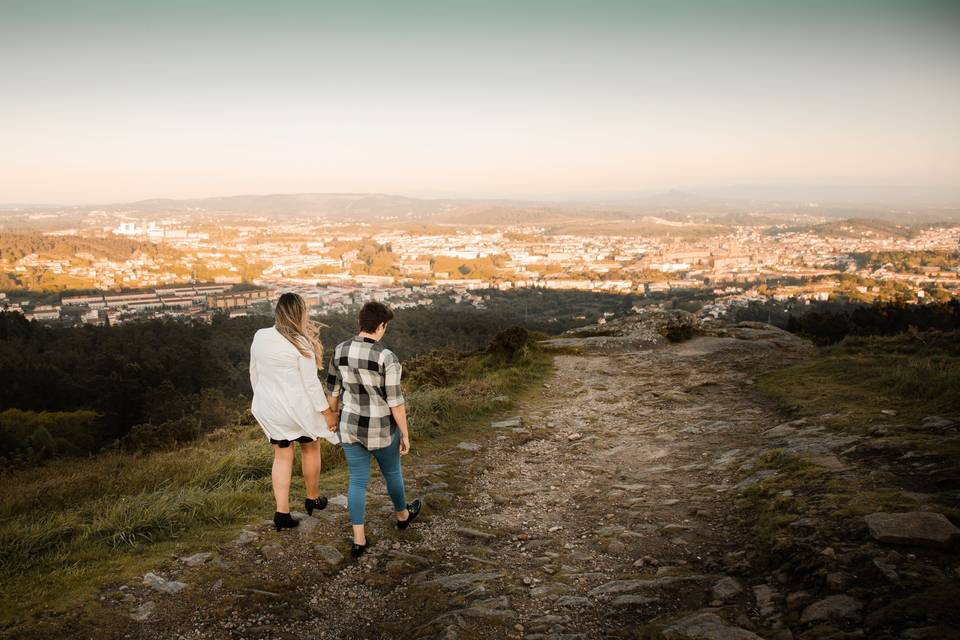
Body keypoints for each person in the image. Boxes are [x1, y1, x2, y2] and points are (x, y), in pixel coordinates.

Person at [326, 301, 421, 558]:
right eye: (385, 326)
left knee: (357, 481)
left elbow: (333, 391)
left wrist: (332, 417)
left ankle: (359, 539)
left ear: (361, 322)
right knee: (392, 473)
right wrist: (405, 433)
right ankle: (402, 515)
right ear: (381, 326)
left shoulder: (339, 350)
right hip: (380, 428)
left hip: (350, 425)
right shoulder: (385, 357)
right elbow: (395, 401)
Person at [250, 292, 338, 532]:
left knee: (282, 455)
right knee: (311, 446)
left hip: (271, 407)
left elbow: (254, 372)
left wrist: (263, 397)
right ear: (301, 314)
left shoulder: (260, 336)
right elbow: (310, 384)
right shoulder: (301, 343)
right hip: (298, 409)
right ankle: (312, 499)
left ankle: (282, 513)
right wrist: (326, 412)